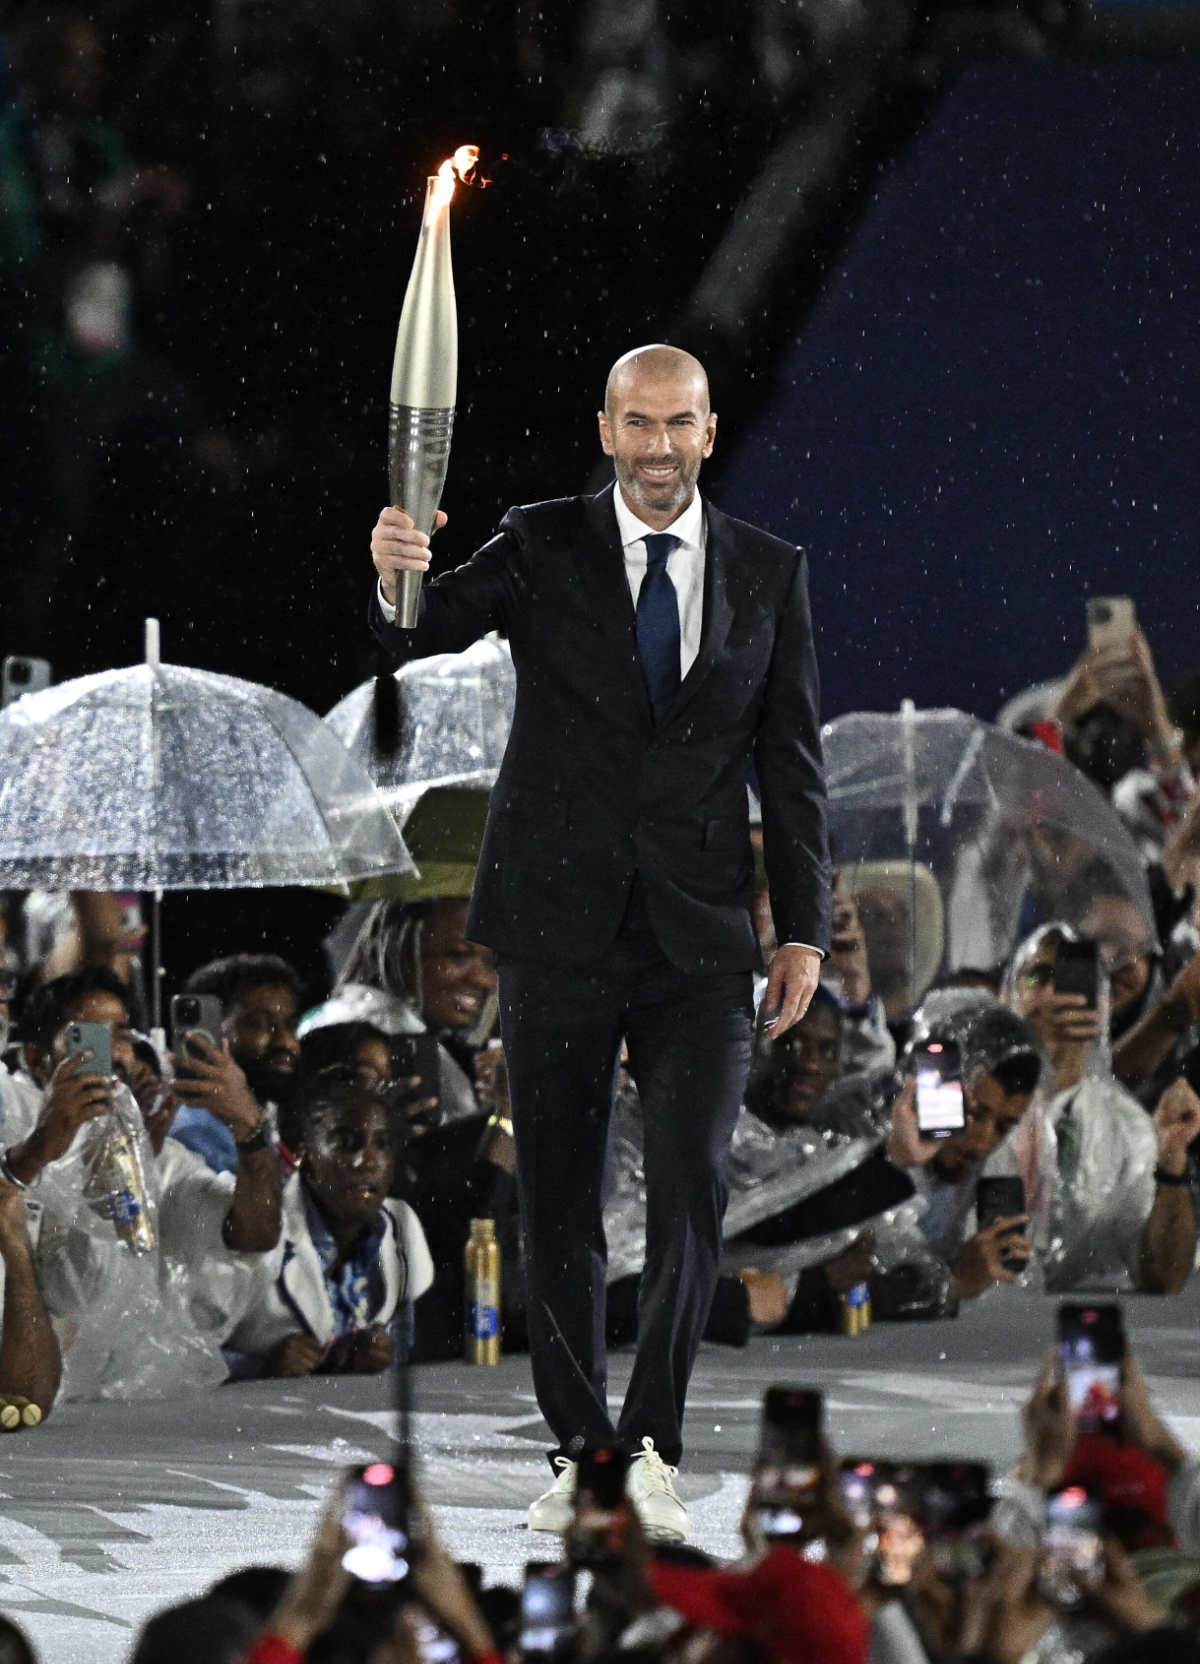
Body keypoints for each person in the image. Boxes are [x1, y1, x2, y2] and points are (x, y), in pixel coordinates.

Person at [369, 343, 830, 1540]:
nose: (660, 446)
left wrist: (808, 934)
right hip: (555, 925)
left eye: (680, 424)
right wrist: (397, 573)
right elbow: (425, 625)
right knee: (560, 1200)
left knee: (690, 1196)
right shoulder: (541, 541)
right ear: (608, 427)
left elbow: (793, 768)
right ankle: (584, 1453)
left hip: (701, 937)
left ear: (711, 432)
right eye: (639, 423)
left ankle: (656, 1448)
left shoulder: (770, 573)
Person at [223, 1075, 433, 1378]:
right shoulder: (260, 1227)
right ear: (304, 1154)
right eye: (347, 1144)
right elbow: (198, 1356)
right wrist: (261, 1369)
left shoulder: (401, 1225)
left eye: (383, 1144)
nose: (369, 1160)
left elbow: (404, 1354)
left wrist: (380, 1354)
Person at [169, 953, 303, 1174]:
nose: (286, 1041)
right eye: (261, 1024)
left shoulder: (260, 1120)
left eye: (291, 1025)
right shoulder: (196, 1134)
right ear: (210, 1032)